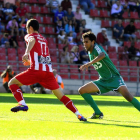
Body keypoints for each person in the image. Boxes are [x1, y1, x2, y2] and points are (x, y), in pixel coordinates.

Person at [8, 19, 86, 121]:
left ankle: (22, 103)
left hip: (36, 71)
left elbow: (32, 40)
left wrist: (26, 53)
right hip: (48, 72)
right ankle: (79, 114)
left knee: (12, 83)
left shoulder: (30, 36)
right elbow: (41, 56)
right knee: (61, 96)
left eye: (27, 28)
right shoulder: (44, 39)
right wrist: (31, 60)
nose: (26, 31)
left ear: (30, 28)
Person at [78, 31, 140, 119]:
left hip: (114, 78)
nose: (84, 44)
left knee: (128, 97)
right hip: (103, 80)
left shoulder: (97, 47)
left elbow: (102, 54)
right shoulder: (89, 52)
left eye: (86, 42)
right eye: (83, 42)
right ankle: (98, 113)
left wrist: (89, 63)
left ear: (93, 42)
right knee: (82, 90)